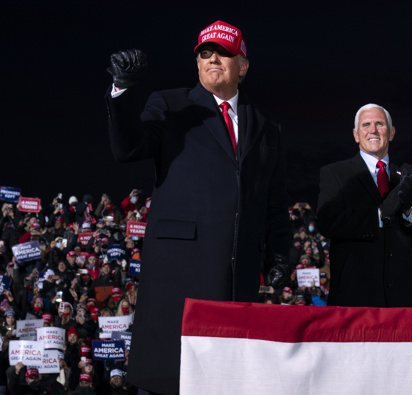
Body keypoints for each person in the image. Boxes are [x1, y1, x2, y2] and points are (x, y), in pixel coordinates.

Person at [105, 20, 291, 394]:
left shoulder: (266, 124)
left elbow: (273, 198)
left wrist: (279, 257)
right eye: (205, 53)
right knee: (170, 378)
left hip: (236, 277)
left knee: (227, 379)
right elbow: (128, 149)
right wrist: (123, 90)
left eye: (224, 52)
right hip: (177, 273)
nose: (213, 59)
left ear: (244, 65)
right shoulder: (170, 104)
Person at [317, 103, 412, 307]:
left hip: (402, 300)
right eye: (366, 125)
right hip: (353, 298)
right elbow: (327, 222)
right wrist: (379, 214)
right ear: (356, 135)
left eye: (379, 124)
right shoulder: (335, 173)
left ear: (391, 133)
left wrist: (411, 209)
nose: (373, 130)